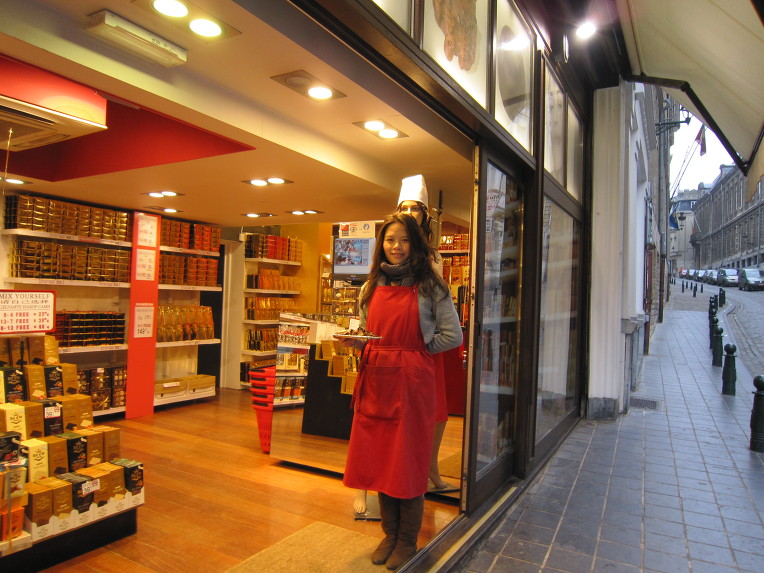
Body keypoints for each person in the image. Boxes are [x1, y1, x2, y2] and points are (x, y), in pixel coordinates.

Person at [341, 213, 463, 570]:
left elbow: (453, 335)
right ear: (382, 244)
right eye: (391, 240)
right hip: (377, 381)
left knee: (407, 462)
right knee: (381, 459)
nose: (397, 247)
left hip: (412, 382)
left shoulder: (431, 285)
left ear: (416, 244)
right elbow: (368, 333)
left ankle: (407, 540)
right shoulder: (370, 286)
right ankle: (390, 535)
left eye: (405, 240)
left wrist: (417, 351)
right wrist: (356, 342)